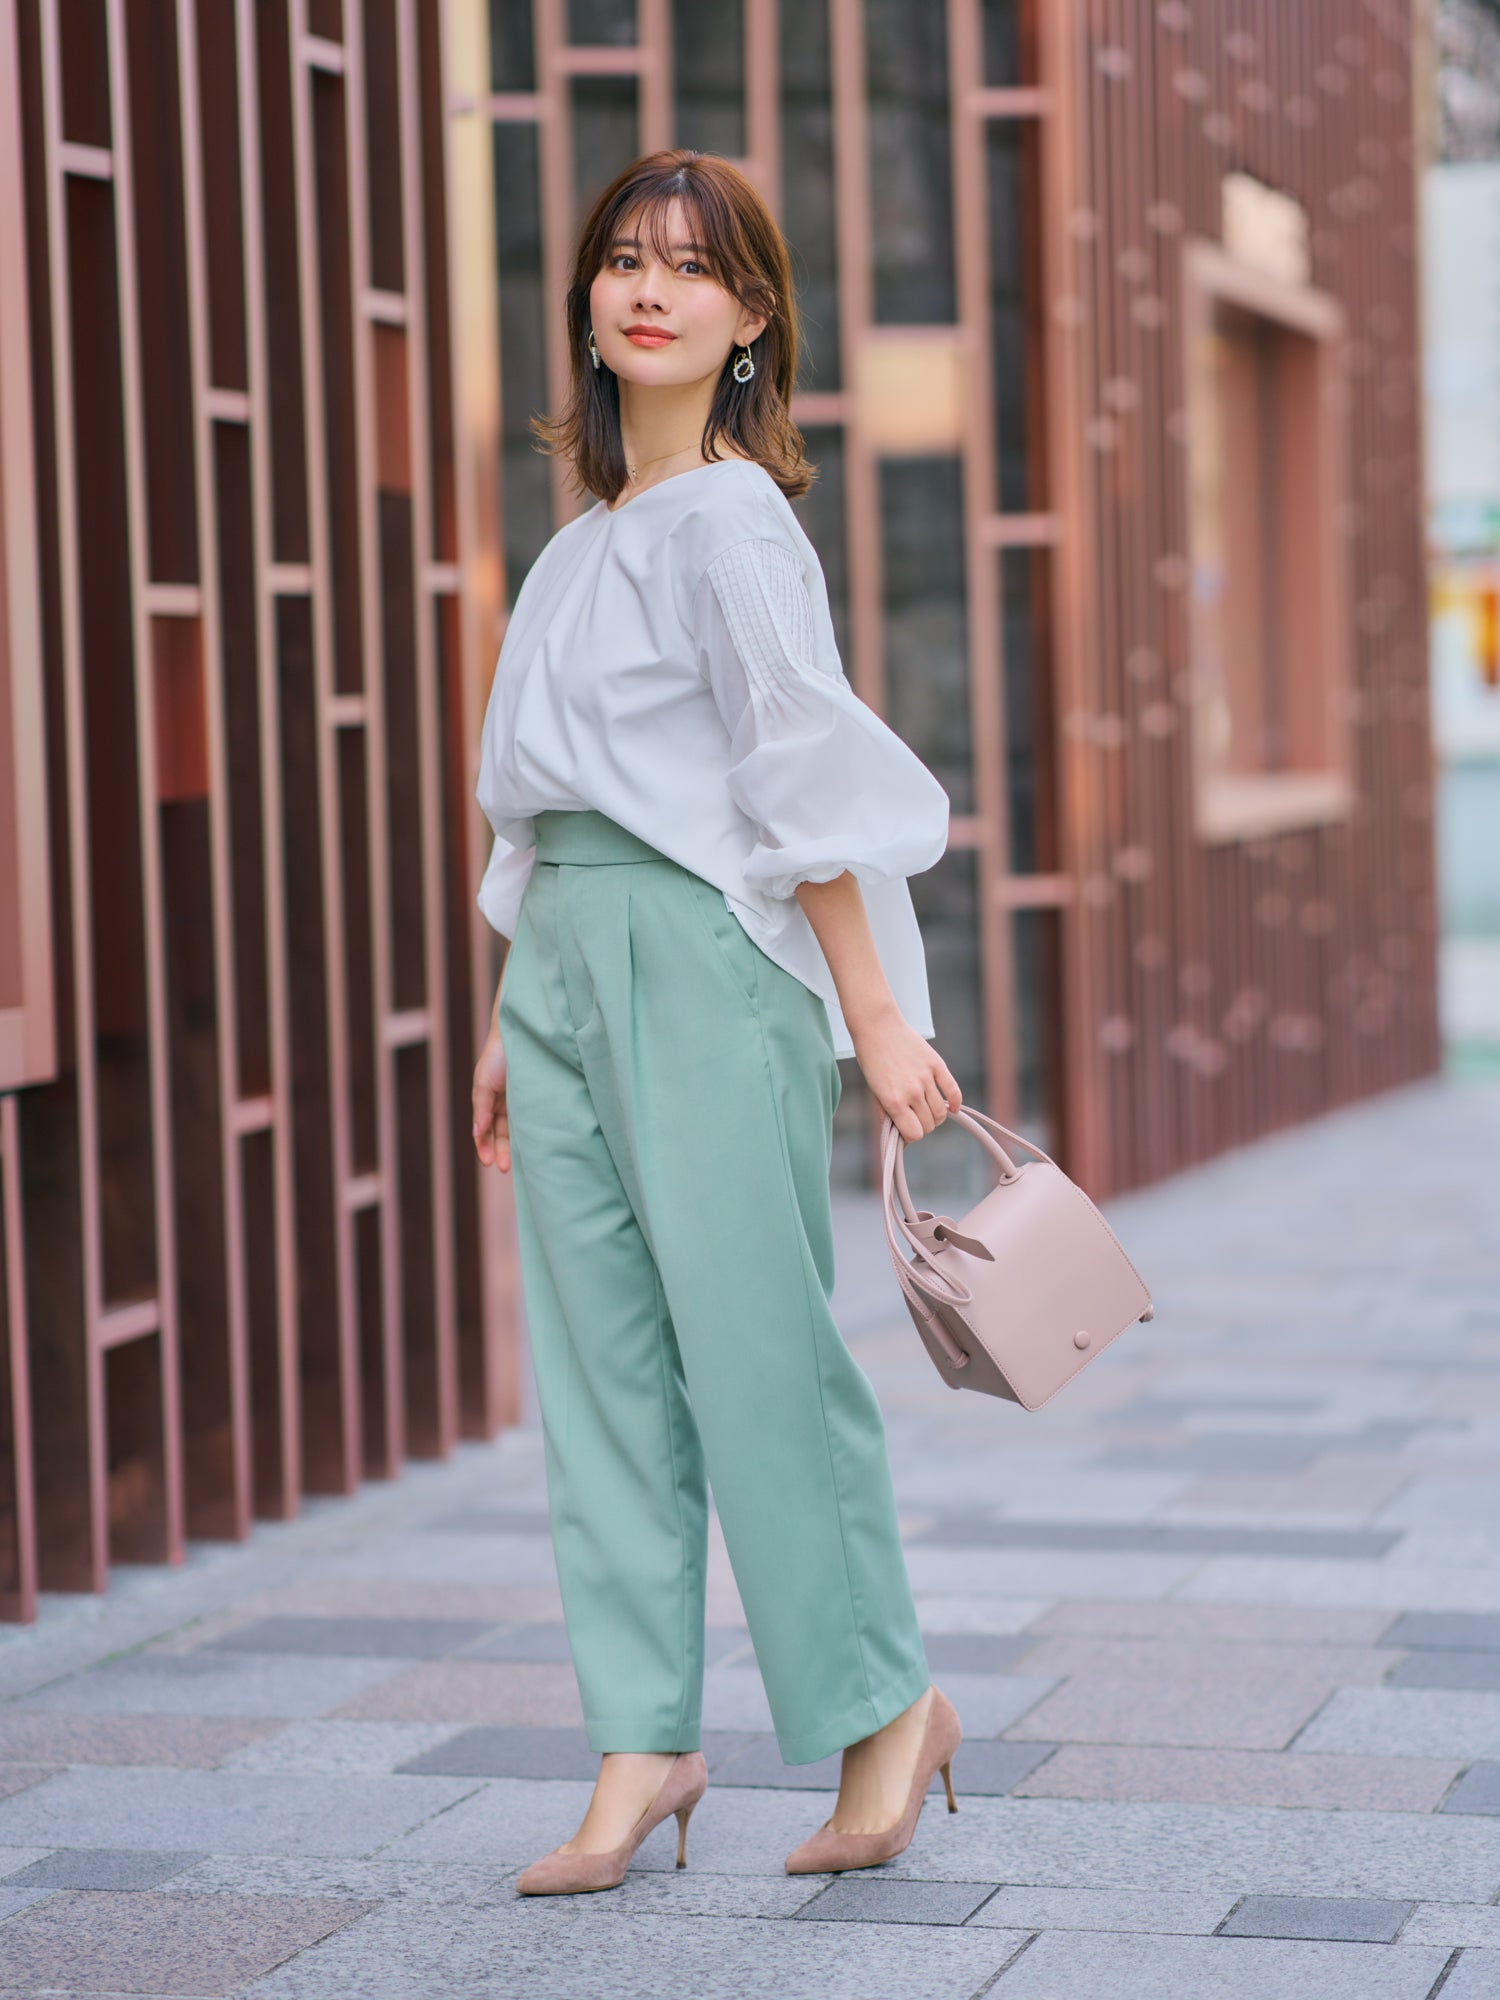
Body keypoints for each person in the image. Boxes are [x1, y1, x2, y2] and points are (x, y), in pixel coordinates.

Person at [470, 148, 964, 1897]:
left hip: (703, 956)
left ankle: (881, 1706)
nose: (646, 289)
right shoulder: (576, 547)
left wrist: (881, 1021)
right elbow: (533, 818)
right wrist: (502, 1025)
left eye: (691, 267)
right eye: (620, 259)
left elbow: (797, 782)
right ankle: (642, 1743)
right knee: (599, 1376)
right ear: (591, 302)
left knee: (757, 1355)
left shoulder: (739, 525)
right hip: (564, 973)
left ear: (753, 319)